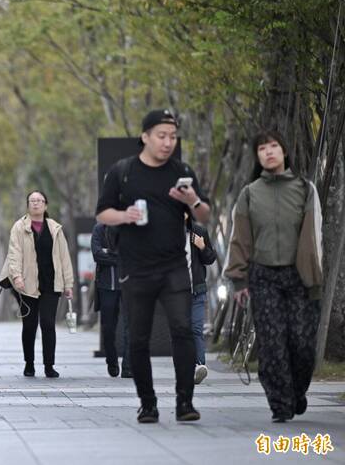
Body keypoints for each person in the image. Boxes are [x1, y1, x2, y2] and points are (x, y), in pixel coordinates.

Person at [96, 109, 210, 423]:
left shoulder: (181, 171)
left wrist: (192, 201)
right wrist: (124, 216)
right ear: (145, 136)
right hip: (136, 268)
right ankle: (148, 403)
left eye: (172, 136)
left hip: (174, 267)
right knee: (138, 337)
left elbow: (204, 214)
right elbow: (102, 213)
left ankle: (185, 402)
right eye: (161, 136)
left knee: (182, 330)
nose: (167, 142)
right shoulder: (122, 172)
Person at [224, 130, 323, 423]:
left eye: (274, 146)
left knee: (303, 344)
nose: (268, 152)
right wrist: (238, 280)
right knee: (272, 343)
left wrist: (315, 278)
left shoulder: (305, 189)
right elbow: (239, 239)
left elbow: (315, 237)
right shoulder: (249, 193)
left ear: (284, 151)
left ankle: (296, 392)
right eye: (262, 148)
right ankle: (280, 404)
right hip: (263, 276)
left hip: (299, 276)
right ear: (257, 156)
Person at [0, 190, 74, 379]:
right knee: (29, 325)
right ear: (28, 205)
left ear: (45, 205)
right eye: (32, 200)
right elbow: (14, 253)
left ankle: (49, 365)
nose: (35, 203)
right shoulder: (19, 227)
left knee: (48, 324)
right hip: (26, 284)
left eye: (39, 200)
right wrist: (17, 277)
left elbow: (64, 257)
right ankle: (29, 364)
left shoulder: (55, 229)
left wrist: (68, 284)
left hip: (51, 283)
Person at [91, 222, 131, 379]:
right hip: (106, 286)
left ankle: (128, 366)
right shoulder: (99, 229)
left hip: (129, 285)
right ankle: (112, 360)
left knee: (131, 326)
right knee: (107, 328)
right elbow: (97, 255)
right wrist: (119, 256)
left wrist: (109, 253)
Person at [185, 215, 217, 385]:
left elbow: (210, 258)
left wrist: (202, 246)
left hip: (197, 291)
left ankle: (199, 366)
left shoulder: (199, 232)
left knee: (196, 329)